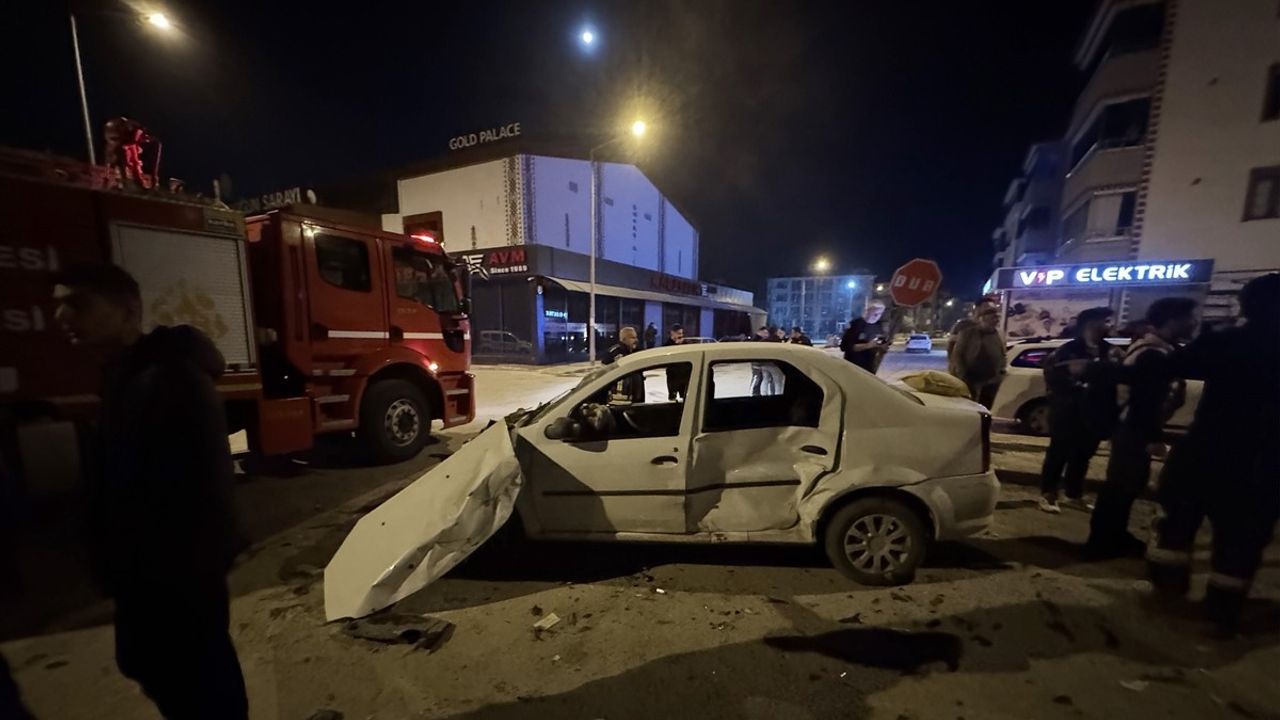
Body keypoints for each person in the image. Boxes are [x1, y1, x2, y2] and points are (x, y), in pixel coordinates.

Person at [51, 263, 248, 719]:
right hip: (151, 577)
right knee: (172, 676)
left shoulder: (168, 377)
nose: (62, 317)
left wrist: (177, 573)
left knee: (201, 685)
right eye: (57, 304)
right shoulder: (130, 374)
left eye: (77, 304)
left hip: (174, 578)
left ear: (129, 310)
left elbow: (201, 490)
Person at [1147, 274, 1280, 634]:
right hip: (1262, 462)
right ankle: (1223, 610)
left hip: (1206, 449)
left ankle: (1168, 589)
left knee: (1178, 519)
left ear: (1246, 305)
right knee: (1242, 538)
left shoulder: (1227, 340)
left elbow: (1170, 366)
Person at [1085, 298, 1198, 559]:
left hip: (1134, 428)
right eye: (1190, 317)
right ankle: (1101, 542)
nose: (1195, 322)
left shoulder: (1160, 349)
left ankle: (1114, 536)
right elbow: (1145, 399)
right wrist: (1152, 437)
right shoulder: (1152, 353)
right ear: (1173, 319)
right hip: (1133, 429)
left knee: (1128, 484)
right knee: (1120, 486)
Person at [1038, 306, 1118, 514]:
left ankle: (1073, 494)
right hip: (1067, 412)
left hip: (1095, 414)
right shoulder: (1068, 351)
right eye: (1105, 321)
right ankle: (1048, 493)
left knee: (1083, 455)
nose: (1110, 326)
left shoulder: (1110, 351)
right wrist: (1081, 387)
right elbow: (1054, 378)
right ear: (1091, 324)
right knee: (1058, 453)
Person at [950, 305, 1006, 408]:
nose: (995, 321)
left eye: (996, 318)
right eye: (992, 318)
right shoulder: (968, 333)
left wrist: (1000, 371)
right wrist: (962, 374)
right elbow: (957, 354)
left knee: (986, 406)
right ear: (982, 319)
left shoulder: (997, 334)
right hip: (970, 377)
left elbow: (1002, 353)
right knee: (968, 405)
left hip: (991, 378)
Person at [841, 301, 889, 373]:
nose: (877, 316)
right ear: (867, 311)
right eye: (875, 313)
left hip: (870, 367)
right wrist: (868, 345)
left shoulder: (878, 326)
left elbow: (881, 343)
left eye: (880, 314)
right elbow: (845, 347)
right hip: (853, 368)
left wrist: (882, 346)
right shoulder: (855, 325)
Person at [603, 326, 645, 402]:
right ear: (624, 339)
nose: (636, 340)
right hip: (620, 400)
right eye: (632, 338)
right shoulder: (615, 353)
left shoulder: (634, 352)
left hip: (633, 398)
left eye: (636, 337)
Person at [664, 323, 691, 400]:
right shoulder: (667, 344)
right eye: (679, 333)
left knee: (685, 398)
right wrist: (674, 345)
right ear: (673, 333)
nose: (681, 335)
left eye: (682, 333)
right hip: (673, 377)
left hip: (684, 376)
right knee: (672, 398)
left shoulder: (685, 344)